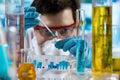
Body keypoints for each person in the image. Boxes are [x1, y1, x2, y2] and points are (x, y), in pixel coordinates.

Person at [24, 0, 92, 78]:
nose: (56, 39)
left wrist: (92, 63)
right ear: (34, 29)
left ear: (78, 27)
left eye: (65, 30)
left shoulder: (92, 42)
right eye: (46, 30)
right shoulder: (24, 37)